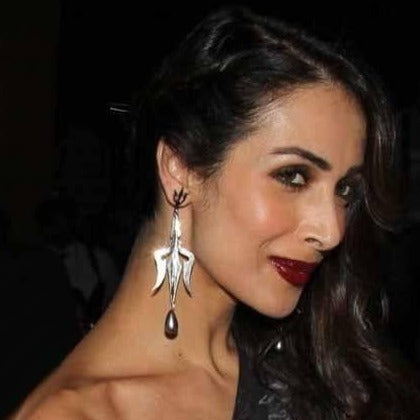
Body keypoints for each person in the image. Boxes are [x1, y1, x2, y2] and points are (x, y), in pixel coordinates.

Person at [12, 6, 420, 419]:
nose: (331, 230)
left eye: (345, 190)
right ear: (180, 168)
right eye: (293, 176)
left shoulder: (319, 372)